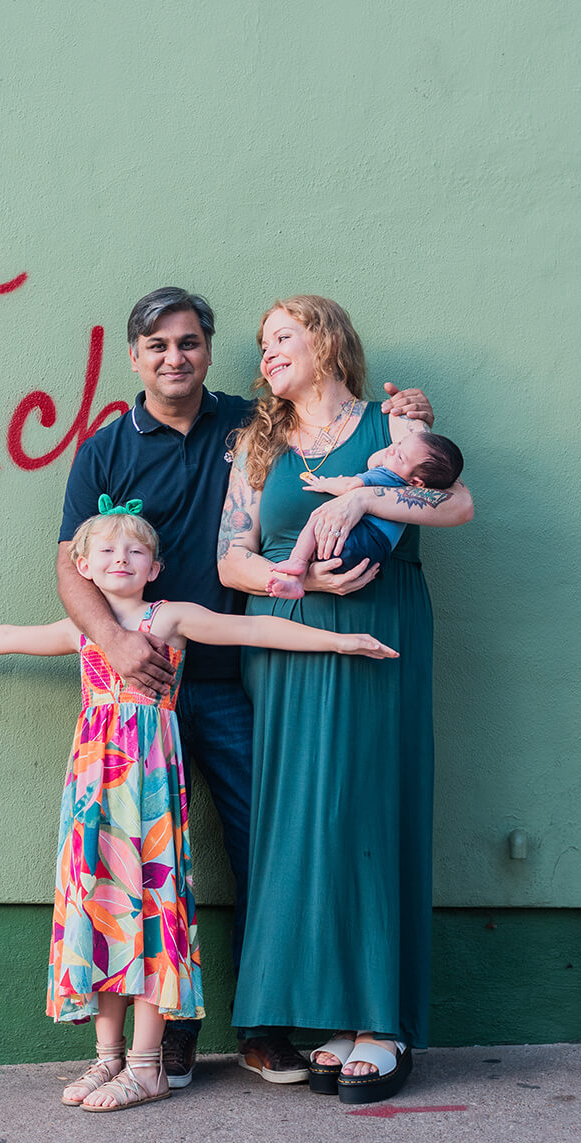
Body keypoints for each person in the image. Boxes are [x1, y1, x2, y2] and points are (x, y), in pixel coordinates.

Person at [0, 506, 396, 1114]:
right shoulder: (83, 629)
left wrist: (340, 641)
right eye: (105, 553)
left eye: (134, 553)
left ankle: (146, 1066)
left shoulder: (172, 618)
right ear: (82, 567)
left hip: (150, 789)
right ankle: (108, 1058)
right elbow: (8, 635)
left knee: (151, 911)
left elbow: (254, 632)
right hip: (94, 788)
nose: (120, 561)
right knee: (102, 906)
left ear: (155, 567)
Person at [55, 286, 433, 1087]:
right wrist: (120, 644)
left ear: (205, 349)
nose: (175, 357)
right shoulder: (106, 447)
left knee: (269, 839)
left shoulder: (249, 423)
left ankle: (265, 1026)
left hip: (232, 673)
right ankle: (174, 1033)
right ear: (136, 357)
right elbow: (70, 564)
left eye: (189, 342)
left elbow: (409, 467)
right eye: (158, 345)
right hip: (144, 684)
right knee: (155, 857)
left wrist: (411, 426)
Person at [216, 295, 474, 1106]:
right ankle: (329, 1010)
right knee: (305, 818)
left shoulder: (394, 425)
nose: (268, 353)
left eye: (283, 336)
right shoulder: (256, 445)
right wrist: (301, 576)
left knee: (371, 808)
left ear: (327, 342)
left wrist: (364, 497)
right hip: (288, 642)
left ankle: (382, 1022)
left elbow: (458, 503)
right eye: (263, 344)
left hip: (384, 631)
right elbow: (231, 559)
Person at [265, 431, 465, 599]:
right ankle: (296, 582)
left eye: (400, 456)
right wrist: (395, 453)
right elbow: (373, 462)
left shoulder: (387, 476)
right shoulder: (410, 494)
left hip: (357, 539)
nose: (393, 448)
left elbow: (350, 485)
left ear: (416, 482)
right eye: (399, 443)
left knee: (319, 516)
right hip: (375, 555)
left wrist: (324, 483)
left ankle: (297, 562)